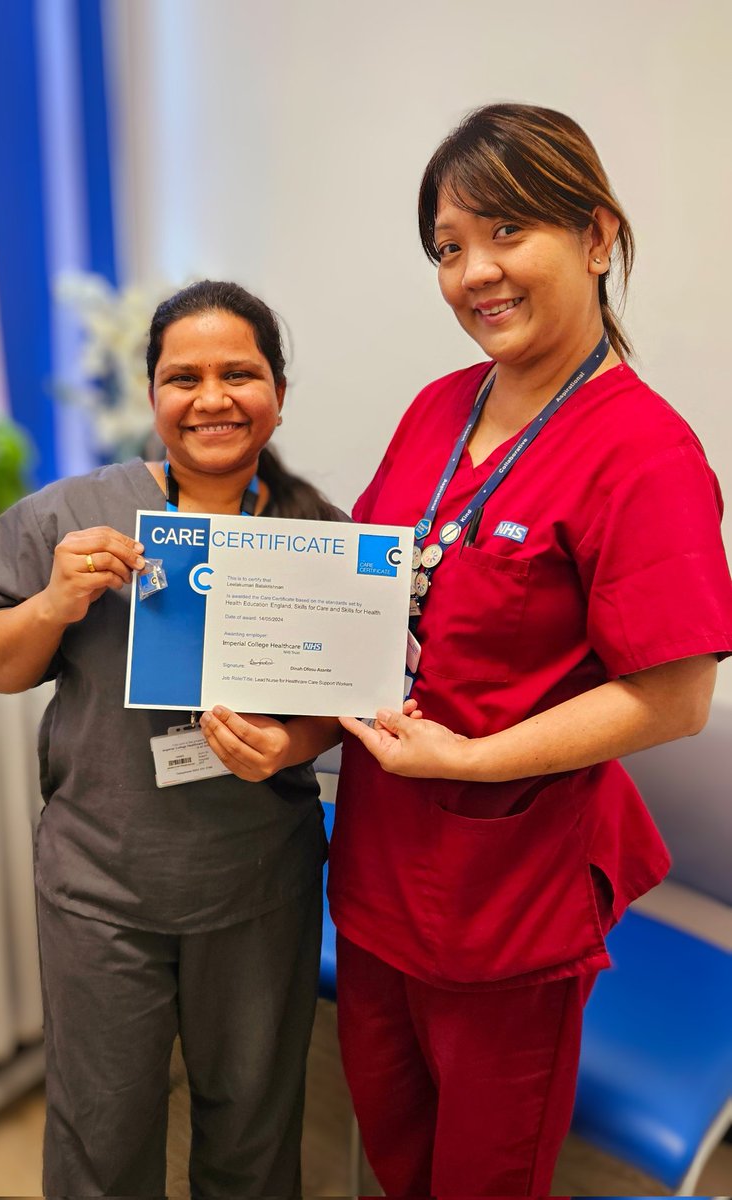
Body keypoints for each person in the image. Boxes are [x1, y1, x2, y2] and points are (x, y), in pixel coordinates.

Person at [325, 104, 732, 1196]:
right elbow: (367, 611)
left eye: (507, 231)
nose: (474, 272)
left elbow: (675, 696)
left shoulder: (645, 453)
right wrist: (281, 722)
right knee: (393, 1156)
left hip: (508, 900)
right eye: (449, 247)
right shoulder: (435, 411)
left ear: (598, 236)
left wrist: (467, 760)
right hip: (374, 870)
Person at [0, 280, 343, 1198]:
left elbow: (347, 704)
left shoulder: (317, 533)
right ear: (153, 396)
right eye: (184, 377)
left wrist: (293, 746)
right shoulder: (69, 519)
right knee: (102, 1134)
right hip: (104, 887)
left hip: (258, 885)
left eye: (239, 374)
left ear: (278, 394)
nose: (212, 398)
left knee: (253, 1127)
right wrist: (52, 603)